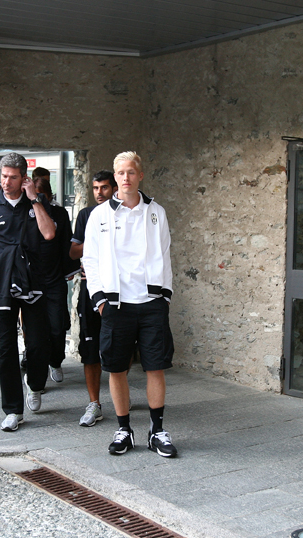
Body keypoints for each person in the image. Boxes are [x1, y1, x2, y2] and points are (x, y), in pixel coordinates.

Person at [81, 151, 177, 458]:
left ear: (140, 175)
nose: (126, 177)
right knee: (116, 369)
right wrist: (99, 299)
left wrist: (164, 296)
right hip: (115, 304)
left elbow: (165, 254)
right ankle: (124, 429)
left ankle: (157, 431)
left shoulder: (156, 212)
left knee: (155, 367)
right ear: (115, 177)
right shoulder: (100, 215)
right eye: (121, 173)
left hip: (151, 303)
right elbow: (90, 259)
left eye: (131, 172)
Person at [0, 153, 56, 432]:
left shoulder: (37, 203)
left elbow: (49, 233)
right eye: (4, 176)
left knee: (37, 344)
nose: (7, 182)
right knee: (4, 349)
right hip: (1, 284)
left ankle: (35, 384)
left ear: (24, 178)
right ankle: (13, 410)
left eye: (13, 177)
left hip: (33, 283)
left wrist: (34, 198)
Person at [70, 170, 117, 426]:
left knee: (119, 346)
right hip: (90, 289)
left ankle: (121, 397)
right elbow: (73, 251)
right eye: (96, 188)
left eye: (104, 187)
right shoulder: (86, 215)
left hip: (119, 291)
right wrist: (94, 245)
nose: (99, 192)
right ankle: (94, 403)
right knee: (89, 349)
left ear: (114, 188)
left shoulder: (125, 213)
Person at [33, 176, 76, 384]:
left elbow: (67, 241)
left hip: (55, 279)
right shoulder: (26, 212)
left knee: (58, 327)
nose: (39, 199)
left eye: (42, 195)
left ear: (49, 196)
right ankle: (35, 373)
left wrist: (70, 269)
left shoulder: (60, 213)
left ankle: (56, 361)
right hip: (32, 280)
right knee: (35, 331)